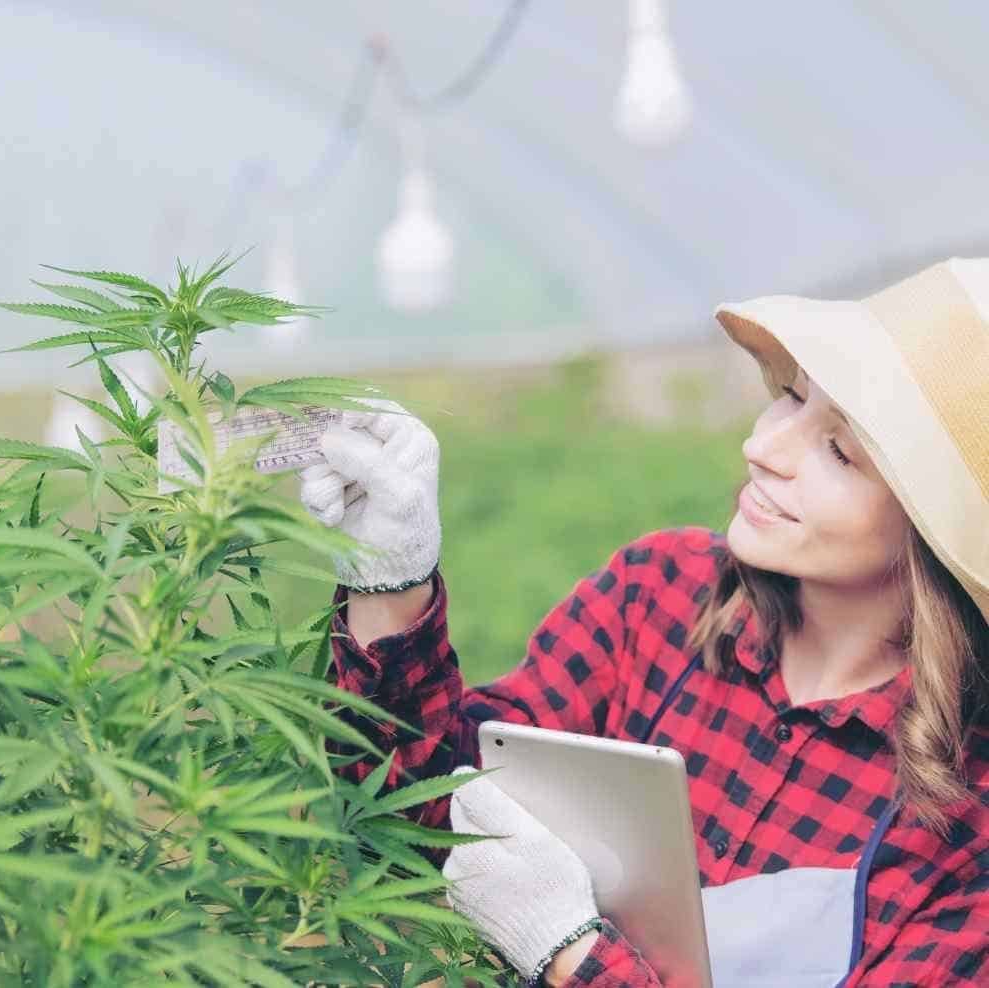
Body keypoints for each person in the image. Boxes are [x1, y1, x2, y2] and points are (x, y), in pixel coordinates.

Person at [297, 256, 989, 987]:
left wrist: (571, 954)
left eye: (840, 451)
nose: (764, 449)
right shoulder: (658, 599)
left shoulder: (968, 819)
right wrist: (389, 587)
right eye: (789, 397)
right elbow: (412, 814)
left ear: (936, 535)